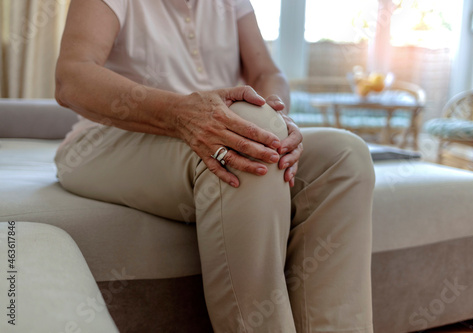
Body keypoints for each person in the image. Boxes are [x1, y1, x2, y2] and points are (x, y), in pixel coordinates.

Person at [54, 0, 376, 332]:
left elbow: (266, 72)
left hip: (221, 131)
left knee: (345, 155)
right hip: (112, 140)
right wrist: (182, 113)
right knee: (243, 150)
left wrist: (275, 119)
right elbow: (72, 78)